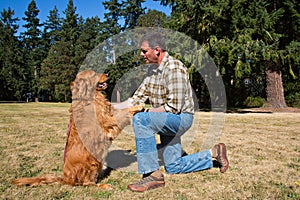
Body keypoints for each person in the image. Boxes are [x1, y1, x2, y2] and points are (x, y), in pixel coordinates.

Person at [113, 32, 229, 192]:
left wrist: (146, 112)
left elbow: (173, 107)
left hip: (180, 119)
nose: (141, 54)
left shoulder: (175, 68)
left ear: (157, 50)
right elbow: (136, 98)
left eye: (144, 51)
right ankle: (214, 153)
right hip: (164, 119)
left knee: (141, 119)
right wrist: (109, 108)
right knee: (174, 166)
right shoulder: (151, 72)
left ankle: (153, 175)